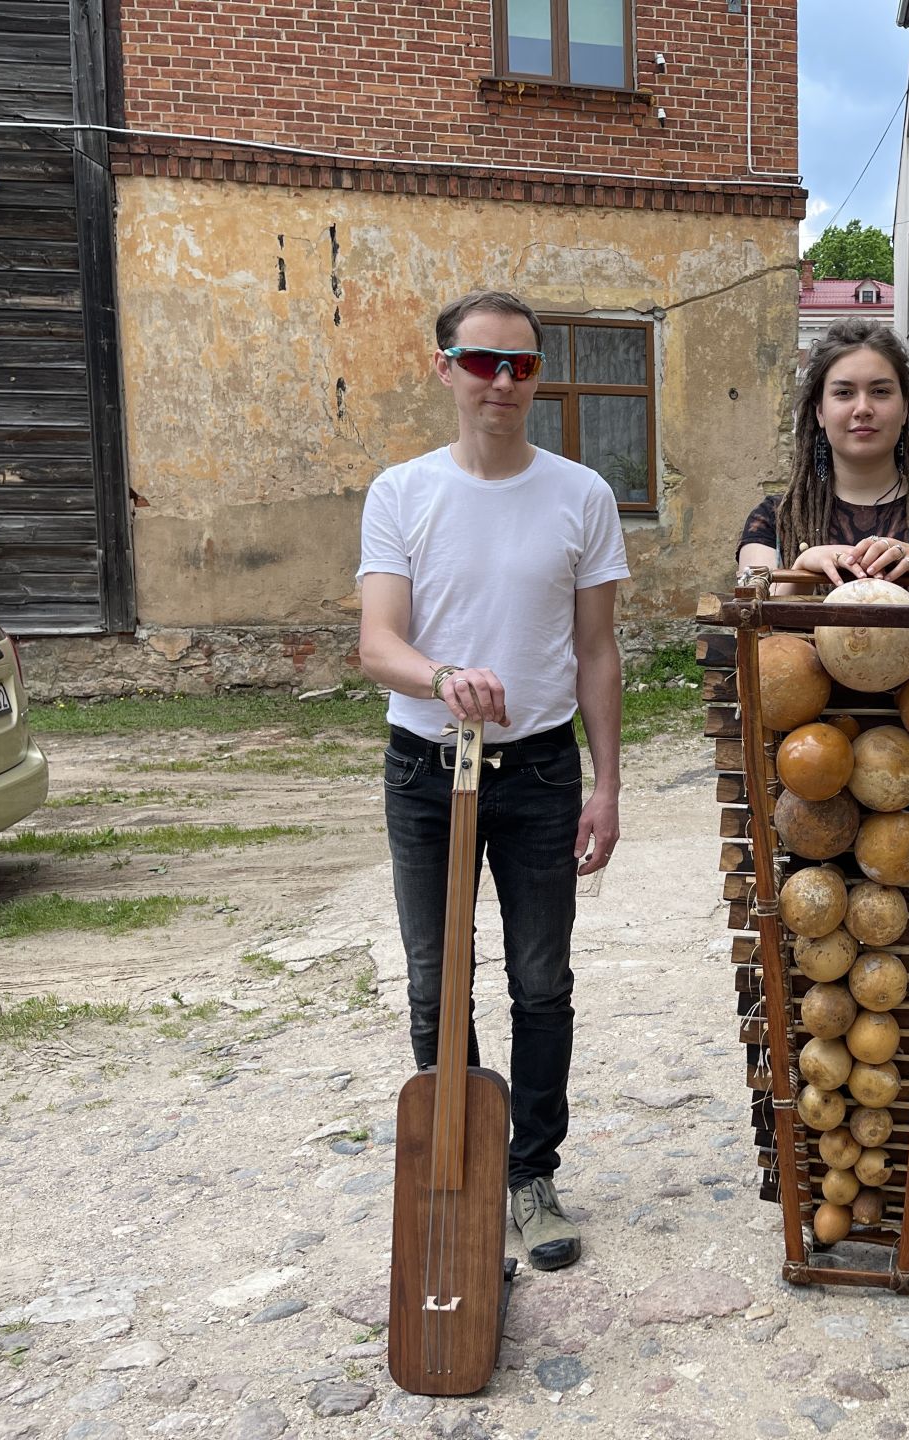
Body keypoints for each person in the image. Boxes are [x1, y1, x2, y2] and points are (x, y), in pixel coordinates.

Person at [357, 289, 628, 1271]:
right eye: (482, 361)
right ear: (445, 369)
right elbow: (377, 643)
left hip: (541, 771)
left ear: (537, 377)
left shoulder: (581, 495)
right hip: (427, 771)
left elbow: (597, 652)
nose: (502, 381)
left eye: (521, 365)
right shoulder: (402, 492)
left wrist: (606, 785)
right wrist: (442, 677)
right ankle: (464, 1172)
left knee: (541, 982)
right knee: (439, 984)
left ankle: (531, 1176)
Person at [738, 319, 909, 587]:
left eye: (880, 391)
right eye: (844, 393)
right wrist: (801, 571)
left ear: (904, 409)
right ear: (820, 411)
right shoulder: (774, 518)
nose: (862, 409)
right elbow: (752, 609)